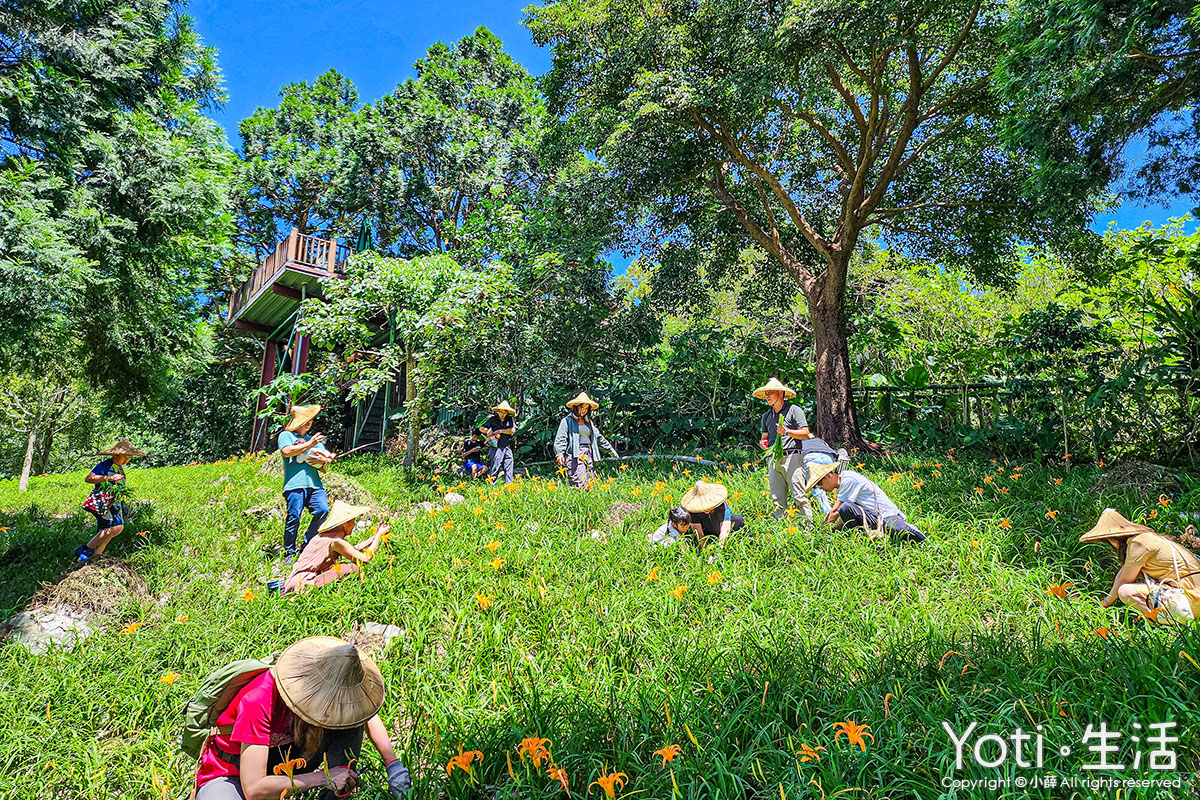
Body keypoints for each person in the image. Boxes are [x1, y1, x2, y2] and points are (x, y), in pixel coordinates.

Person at [193, 635, 411, 800]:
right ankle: (332, 781)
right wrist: (323, 778)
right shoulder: (259, 699)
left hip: (287, 756)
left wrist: (393, 765)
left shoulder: (328, 693)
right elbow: (253, 788)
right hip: (234, 772)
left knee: (350, 725)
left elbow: (363, 714)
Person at [1080, 508, 1200, 617]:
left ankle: (1163, 623)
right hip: (1190, 595)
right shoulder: (1146, 538)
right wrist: (1106, 601)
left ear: (1112, 539)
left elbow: (1125, 580)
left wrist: (1106, 603)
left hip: (1191, 598)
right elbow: (1122, 574)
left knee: (1125, 591)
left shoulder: (1139, 543)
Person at [755, 377, 838, 520]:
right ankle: (781, 529)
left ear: (780, 393)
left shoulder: (794, 410)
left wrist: (787, 432)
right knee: (777, 499)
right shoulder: (766, 416)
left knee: (799, 495)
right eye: (766, 393)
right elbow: (765, 438)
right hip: (773, 459)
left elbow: (806, 434)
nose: (767, 396)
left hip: (792, 456)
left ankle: (807, 527)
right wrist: (763, 444)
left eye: (770, 392)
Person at [807, 462, 926, 543]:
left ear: (828, 476)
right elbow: (844, 516)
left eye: (820, 484)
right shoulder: (840, 486)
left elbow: (836, 511)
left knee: (895, 529)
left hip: (886, 515)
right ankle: (861, 540)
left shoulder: (848, 479)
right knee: (846, 509)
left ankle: (921, 537)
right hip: (871, 518)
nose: (820, 488)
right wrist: (832, 533)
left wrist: (820, 534)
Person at [284, 501, 386, 594]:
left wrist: (374, 538)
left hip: (294, 581)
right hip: (305, 583)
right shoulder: (335, 542)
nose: (354, 524)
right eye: (353, 521)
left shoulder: (323, 537)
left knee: (343, 566)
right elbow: (365, 559)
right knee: (353, 568)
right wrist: (378, 536)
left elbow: (352, 549)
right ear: (345, 524)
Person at [278, 405, 335, 559]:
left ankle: (306, 547)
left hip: (315, 484)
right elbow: (287, 451)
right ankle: (289, 552)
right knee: (294, 517)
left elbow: (325, 460)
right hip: (294, 484)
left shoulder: (313, 439)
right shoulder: (286, 435)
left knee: (323, 510)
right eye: (305, 420)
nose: (309, 422)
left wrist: (324, 461)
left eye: (310, 420)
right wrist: (309, 445)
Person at [75, 439, 145, 562]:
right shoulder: (106, 465)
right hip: (103, 502)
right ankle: (85, 548)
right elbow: (89, 478)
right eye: (124, 457)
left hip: (114, 503)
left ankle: (94, 558)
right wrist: (109, 477)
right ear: (115, 455)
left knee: (107, 532)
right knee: (116, 528)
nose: (127, 460)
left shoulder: (120, 469)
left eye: (129, 457)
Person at [553, 392, 620, 490]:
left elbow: (598, 438)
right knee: (579, 482)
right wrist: (560, 453)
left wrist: (611, 450)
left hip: (589, 453)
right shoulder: (567, 421)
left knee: (590, 482)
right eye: (581, 407)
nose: (583, 410)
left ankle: (589, 504)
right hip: (575, 455)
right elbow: (561, 438)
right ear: (576, 407)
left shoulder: (588, 423)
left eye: (586, 408)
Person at [680, 480, 745, 553]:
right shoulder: (694, 510)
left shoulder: (721, 505)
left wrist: (718, 551)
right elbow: (699, 534)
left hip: (719, 527)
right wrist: (707, 552)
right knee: (693, 540)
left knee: (738, 519)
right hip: (705, 529)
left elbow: (725, 531)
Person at [479, 401, 518, 484]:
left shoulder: (509, 419)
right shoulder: (493, 419)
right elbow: (481, 428)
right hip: (495, 446)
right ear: (498, 411)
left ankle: (509, 484)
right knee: (495, 465)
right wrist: (488, 431)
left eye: (504, 412)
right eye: (501, 412)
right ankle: (492, 484)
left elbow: (512, 430)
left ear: (507, 412)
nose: (502, 414)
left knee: (509, 464)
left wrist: (500, 431)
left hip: (506, 446)